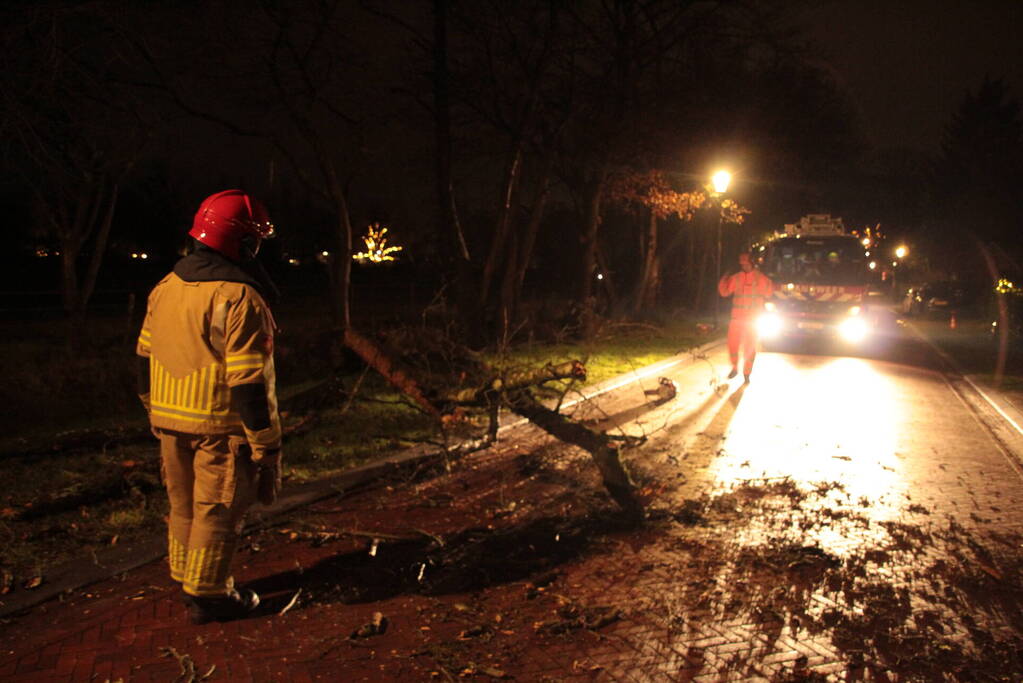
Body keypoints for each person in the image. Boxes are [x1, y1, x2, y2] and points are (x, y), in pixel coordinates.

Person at [136, 190, 283, 625]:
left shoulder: (165, 287)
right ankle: (211, 595)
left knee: (182, 506)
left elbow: (143, 359)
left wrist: (152, 412)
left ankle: (186, 577)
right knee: (217, 511)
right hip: (220, 425)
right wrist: (266, 444)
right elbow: (249, 382)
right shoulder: (240, 299)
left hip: (168, 420)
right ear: (245, 243)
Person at [717, 251, 774, 382]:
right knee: (733, 344)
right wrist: (724, 278)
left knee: (750, 347)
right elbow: (724, 292)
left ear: (752, 262)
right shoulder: (736, 278)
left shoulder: (761, 278)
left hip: (753, 320)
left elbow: (769, 292)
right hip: (737, 319)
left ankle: (747, 373)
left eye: (745, 262)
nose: (743, 264)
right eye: (741, 262)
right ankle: (734, 367)